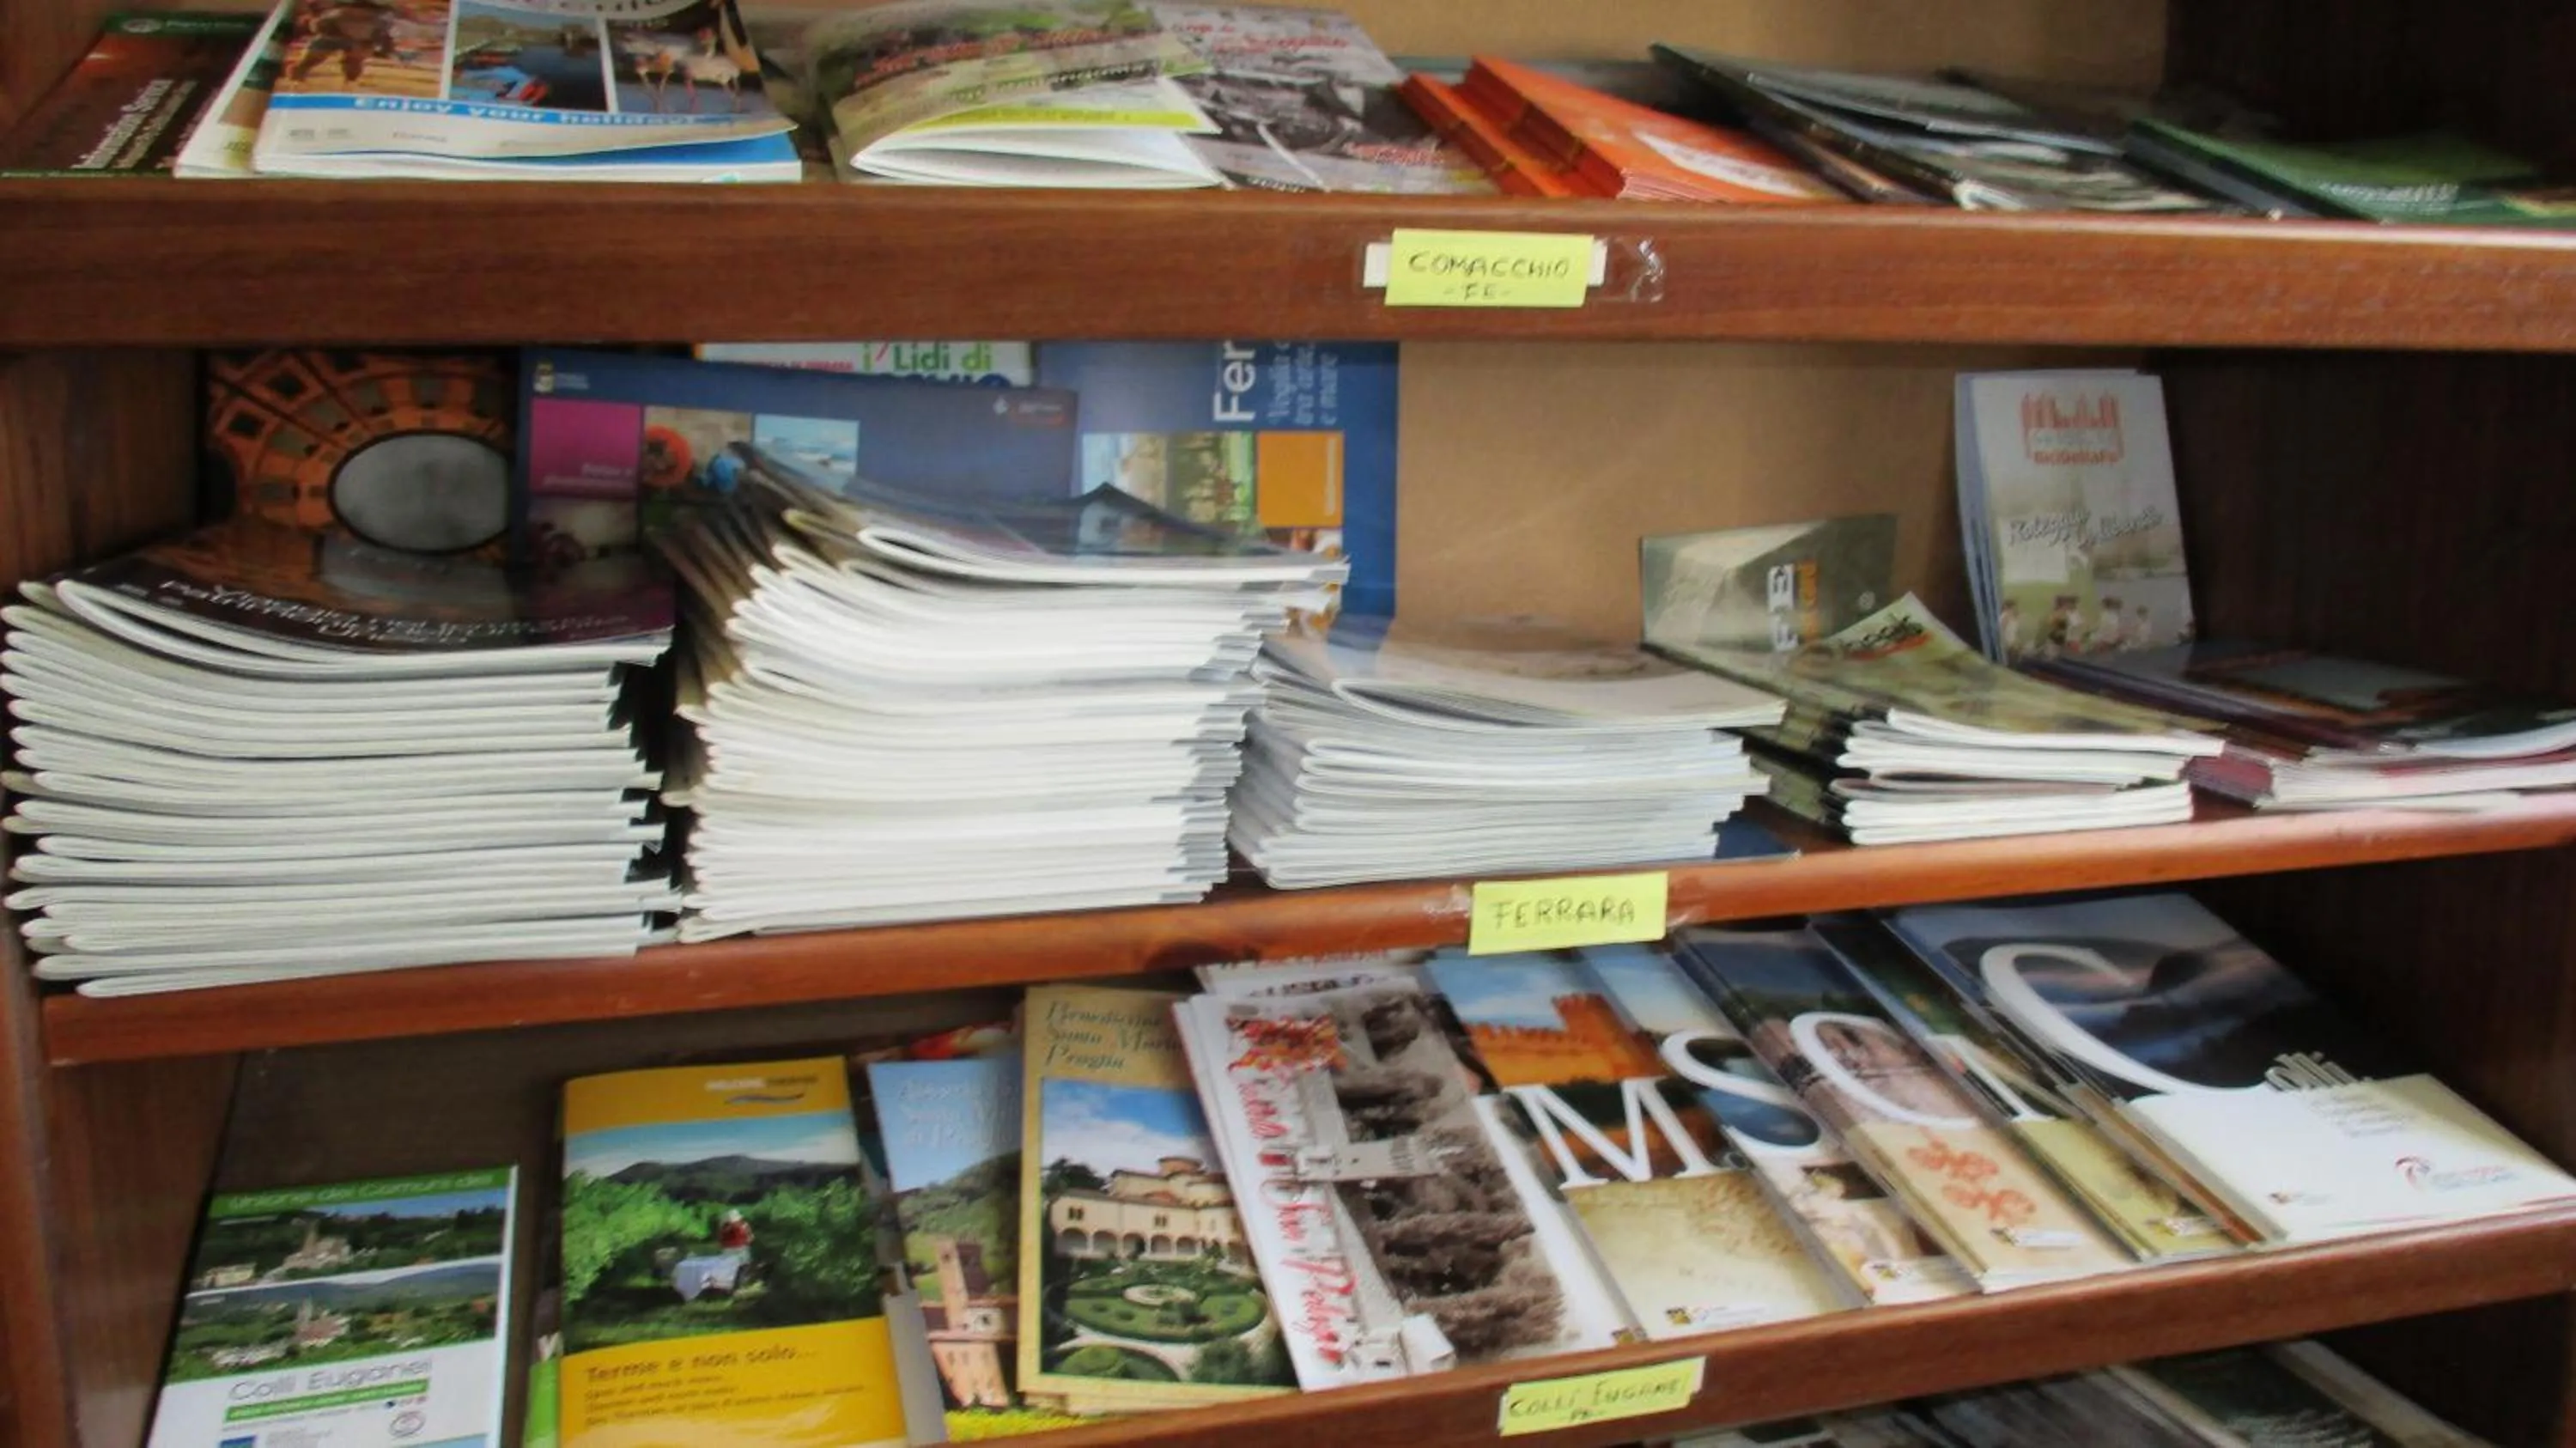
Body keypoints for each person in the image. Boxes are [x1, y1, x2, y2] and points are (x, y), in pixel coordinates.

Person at [289, 0, 398, 87]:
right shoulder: (333, 18)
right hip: (340, 25)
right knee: (311, 59)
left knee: (355, 60)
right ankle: (297, 79)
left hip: (365, 27)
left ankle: (351, 81)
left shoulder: (381, 20)